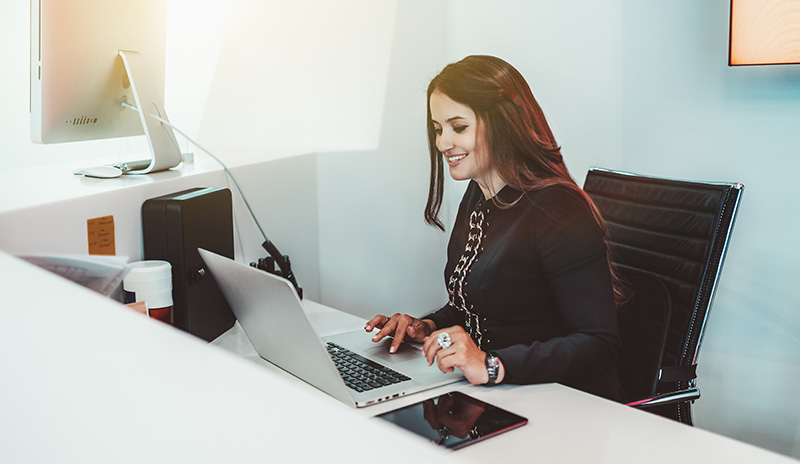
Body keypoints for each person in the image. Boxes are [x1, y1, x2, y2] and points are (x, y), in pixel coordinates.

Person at [364, 55, 624, 400]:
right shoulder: (477, 194)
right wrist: (426, 327)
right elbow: (479, 303)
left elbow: (598, 344)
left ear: (502, 123)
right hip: (497, 393)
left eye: (458, 127)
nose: (443, 143)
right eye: (438, 128)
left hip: (562, 402)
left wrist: (491, 365)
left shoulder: (559, 209)